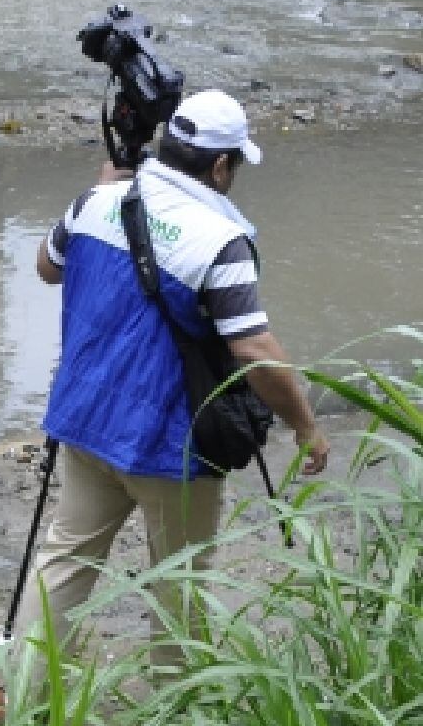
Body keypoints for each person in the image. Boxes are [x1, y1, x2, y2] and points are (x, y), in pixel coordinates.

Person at [18, 88, 330, 662]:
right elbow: (254, 348)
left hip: (85, 422)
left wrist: (105, 187)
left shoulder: (96, 201)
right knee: (178, 585)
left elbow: (45, 266)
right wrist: (306, 424)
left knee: (63, 564)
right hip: (173, 446)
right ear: (219, 165)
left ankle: (24, 699)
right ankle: (178, 723)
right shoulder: (219, 240)